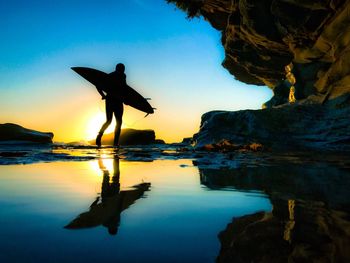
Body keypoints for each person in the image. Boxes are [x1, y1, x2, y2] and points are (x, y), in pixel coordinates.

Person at [96, 63, 126, 147]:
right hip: (110, 100)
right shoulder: (110, 76)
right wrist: (103, 95)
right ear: (116, 69)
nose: (122, 71)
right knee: (109, 121)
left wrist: (127, 100)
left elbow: (125, 89)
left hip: (119, 101)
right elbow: (98, 85)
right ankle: (99, 136)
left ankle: (115, 143)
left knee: (119, 122)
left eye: (123, 69)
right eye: (121, 69)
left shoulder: (123, 76)